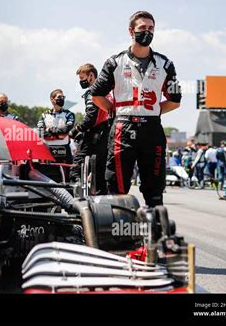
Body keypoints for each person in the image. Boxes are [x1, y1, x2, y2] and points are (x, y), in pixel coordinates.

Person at [89, 11, 182, 207]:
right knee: (117, 186)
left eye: (151, 28)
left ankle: (155, 230)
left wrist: (152, 111)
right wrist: (113, 110)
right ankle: (118, 229)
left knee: (155, 188)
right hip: (123, 127)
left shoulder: (166, 64)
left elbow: (175, 100)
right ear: (131, 31)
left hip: (152, 129)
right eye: (142, 28)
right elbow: (96, 95)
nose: (147, 32)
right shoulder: (115, 62)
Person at [68, 63, 111, 194]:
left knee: (75, 172)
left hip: (94, 136)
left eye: (82, 78)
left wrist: (75, 130)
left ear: (91, 76)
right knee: (100, 173)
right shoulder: (107, 90)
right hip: (106, 135)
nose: (81, 82)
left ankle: (76, 204)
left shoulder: (93, 91)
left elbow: (90, 118)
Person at [37, 89, 75, 181]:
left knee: (66, 179)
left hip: (64, 151)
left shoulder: (69, 114)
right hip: (48, 151)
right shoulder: (44, 115)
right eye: (59, 97)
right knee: (48, 178)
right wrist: (58, 135)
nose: (62, 99)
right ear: (52, 99)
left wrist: (49, 130)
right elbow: (41, 133)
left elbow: (66, 130)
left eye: (63, 97)